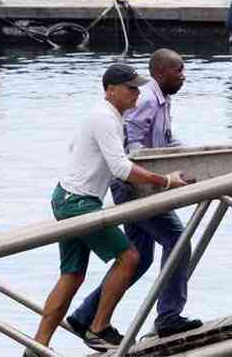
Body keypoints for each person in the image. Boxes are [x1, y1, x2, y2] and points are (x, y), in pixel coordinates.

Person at [28, 64, 189, 355]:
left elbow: (78, 149)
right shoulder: (105, 117)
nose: (137, 93)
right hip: (78, 203)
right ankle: (99, 328)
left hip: (67, 197)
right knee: (129, 257)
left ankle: (36, 347)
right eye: (131, 88)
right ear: (110, 90)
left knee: (72, 276)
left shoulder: (104, 117)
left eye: (138, 87)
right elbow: (120, 168)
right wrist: (164, 181)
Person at [67, 49, 202, 340]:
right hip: (136, 186)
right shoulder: (148, 101)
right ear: (161, 72)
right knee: (178, 241)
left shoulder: (161, 101)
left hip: (143, 184)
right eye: (178, 71)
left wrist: (193, 155)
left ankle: (84, 316)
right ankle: (169, 317)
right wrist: (164, 179)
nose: (183, 76)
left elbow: (164, 140)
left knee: (139, 258)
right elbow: (131, 147)